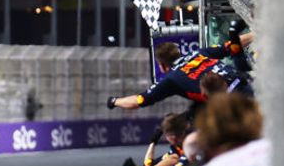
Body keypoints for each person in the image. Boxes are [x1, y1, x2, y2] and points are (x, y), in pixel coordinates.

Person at [106, 34, 255, 110]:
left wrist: (114, 101)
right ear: (179, 53)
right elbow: (232, 45)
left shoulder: (171, 80)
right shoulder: (199, 53)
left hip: (231, 104)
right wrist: (257, 32)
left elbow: (140, 100)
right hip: (248, 84)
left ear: (163, 66)